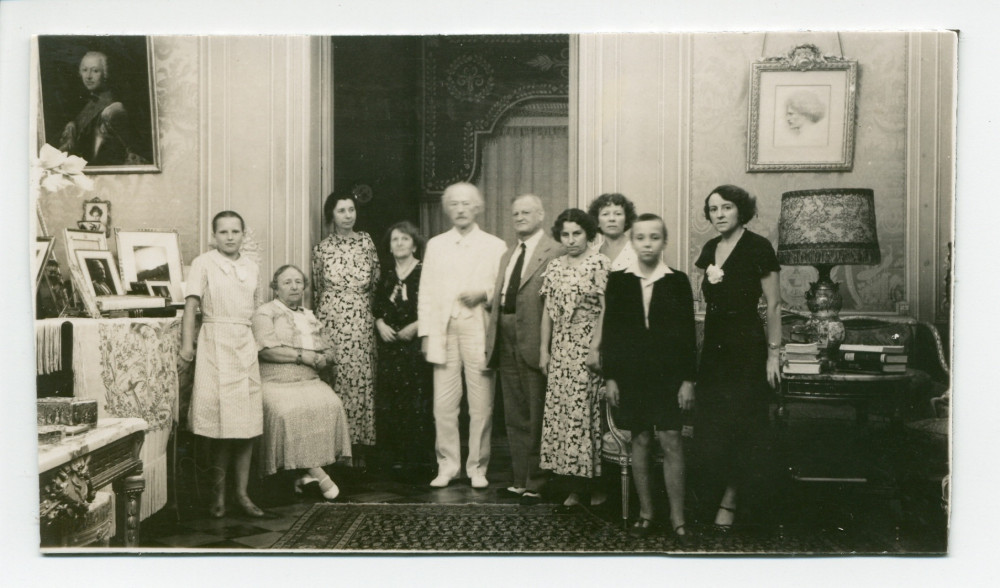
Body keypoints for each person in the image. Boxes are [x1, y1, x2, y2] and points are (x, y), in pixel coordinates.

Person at [602, 214, 697, 539]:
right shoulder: (619, 281)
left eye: (654, 237)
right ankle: (646, 513)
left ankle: (678, 518)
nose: (647, 244)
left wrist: (687, 380)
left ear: (664, 242)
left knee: (671, 440)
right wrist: (611, 378)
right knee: (640, 440)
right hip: (632, 376)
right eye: (640, 237)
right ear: (632, 242)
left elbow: (687, 335)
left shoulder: (677, 281)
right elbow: (612, 333)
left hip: (669, 376)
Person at [693, 185, 781, 533]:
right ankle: (712, 495)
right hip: (715, 346)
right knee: (713, 424)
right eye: (713, 209)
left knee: (741, 423)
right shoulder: (710, 249)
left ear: (740, 210)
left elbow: (774, 305)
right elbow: (704, 302)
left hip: (746, 346)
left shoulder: (759, 247)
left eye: (726, 207)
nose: (719, 214)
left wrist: (773, 355)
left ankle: (730, 499)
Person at [418, 182, 507, 489]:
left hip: (478, 329)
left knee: (481, 405)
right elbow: (426, 292)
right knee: (443, 405)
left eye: (466, 203)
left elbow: (503, 289)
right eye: (454, 204)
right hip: (444, 331)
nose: (460, 209)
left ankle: (478, 467)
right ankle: (448, 465)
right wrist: (426, 334)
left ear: (477, 207)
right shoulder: (436, 245)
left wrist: (483, 293)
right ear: (447, 209)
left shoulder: (495, 245)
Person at [179, 210, 264, 518]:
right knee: (219, 423)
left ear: (243, 234)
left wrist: (258, 346)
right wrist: (187, 348)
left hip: (244, 346)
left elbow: (255, 311)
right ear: (214, 236)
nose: (230, 237)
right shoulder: (203, 263)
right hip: (214, 344)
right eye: (223, 232)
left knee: (247, 424)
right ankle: (218, 496)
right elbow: (191, 307)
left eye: (235, 231)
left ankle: (242, 494)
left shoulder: (251, 267)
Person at [485, 194, 563, 504]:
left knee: (536, 411)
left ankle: (537, 481)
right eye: (516, 213)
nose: (520, 217)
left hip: (534, 339)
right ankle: (519, 480)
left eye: (526, 212)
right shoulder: (509, 253)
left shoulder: (554, 250)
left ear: (541, 215)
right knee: (515, 413)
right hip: (505, 336)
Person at [251, 265, 352, 501]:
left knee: (331, 404)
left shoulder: (309, 316)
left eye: (298, 282)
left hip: (309, 379)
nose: (294, 287)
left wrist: (325, 358)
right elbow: (266, 350)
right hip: (276, 379)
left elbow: (329, 349)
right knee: (287, 410)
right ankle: (319, 475)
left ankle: (303, 474)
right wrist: (302, 356)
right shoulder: (265, 313)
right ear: (275, 288)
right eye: (287, 282)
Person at [538, 208, 610, 506]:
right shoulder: (554, 266)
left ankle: (595, 486)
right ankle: (574, 487)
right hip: (560, 348)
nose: (570, 240)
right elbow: (548, 312)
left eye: (577, 233)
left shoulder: (599, 263)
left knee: (585, 415)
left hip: (587, 345)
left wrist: (595, 348)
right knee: (564, 416)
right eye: (565, 234)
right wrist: (544, 350)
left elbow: (606, 309)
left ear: (588, 233)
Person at [312, 192, 380, 468]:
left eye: (351, 209)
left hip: (361, 319)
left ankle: (358, 448)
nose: (348, 215)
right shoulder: (322, 248)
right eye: (341, 210)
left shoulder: (366, 242)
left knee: (360, 380)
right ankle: (334, 449)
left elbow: (375, 282)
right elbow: (318, 287)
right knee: (335, 378)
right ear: (332, 214)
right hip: (331, 320)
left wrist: (361, 309)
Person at [373, 221, 435, 479]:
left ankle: (417, 464)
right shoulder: (388, 274)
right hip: (390, 348)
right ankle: (394, 462)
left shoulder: (425, 271)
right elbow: (377, 307)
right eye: (395, 239)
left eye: (405, 239)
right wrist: (380, 325)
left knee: (416, 403)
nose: (399, 243)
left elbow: (435, 305)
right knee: (391, 403)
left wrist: (416, 327)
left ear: (414, 245)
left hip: (415, 347)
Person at [58, 51, 146, 166]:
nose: (88, 76)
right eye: (85, 70)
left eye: (95, 71)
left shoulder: (113, 108)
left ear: (105, 74)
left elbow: (133, 152)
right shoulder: (89, 105)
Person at [587, 192, 638, 271]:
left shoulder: (638, 249)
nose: (612, 219)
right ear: (597, 222)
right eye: (605, 214)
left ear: (626, 220)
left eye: (618, 214)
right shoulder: (592, 253)